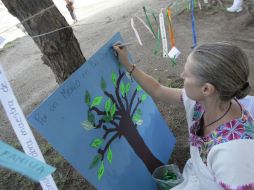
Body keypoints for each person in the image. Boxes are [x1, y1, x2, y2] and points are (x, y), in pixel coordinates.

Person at [113, 42, 254, 190]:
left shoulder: (234, 154)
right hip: (197, 178)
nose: (181, 75)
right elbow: (158, 90)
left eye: (186, 75)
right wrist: (128, 64)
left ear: (206, 89)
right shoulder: (202, 102)